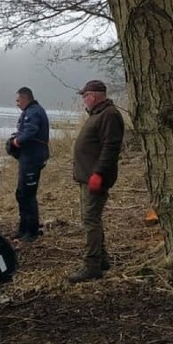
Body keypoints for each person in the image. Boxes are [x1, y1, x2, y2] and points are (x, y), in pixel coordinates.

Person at [69, 80, 125, 283]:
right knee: (91, 219)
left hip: (95, 177)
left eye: (85, 95)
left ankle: (91, 265)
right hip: (88, 176)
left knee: (90, 220)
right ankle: (102, 260)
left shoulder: (109, 115)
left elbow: (111, 148)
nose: (84, 99)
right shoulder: (99, 114)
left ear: (92, 96)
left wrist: (98, 173)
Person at [7, 87, 50, 241]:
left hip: (33, 158)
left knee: (27, 195)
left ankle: (31, 232)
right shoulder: (32, 111)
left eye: (18, 100)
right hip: (28, 158)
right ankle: (24, 228)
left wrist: (17, 141)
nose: (17, 104)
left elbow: (31, 130)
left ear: (26, 98)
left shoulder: (33, 112)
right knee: (22, 194)